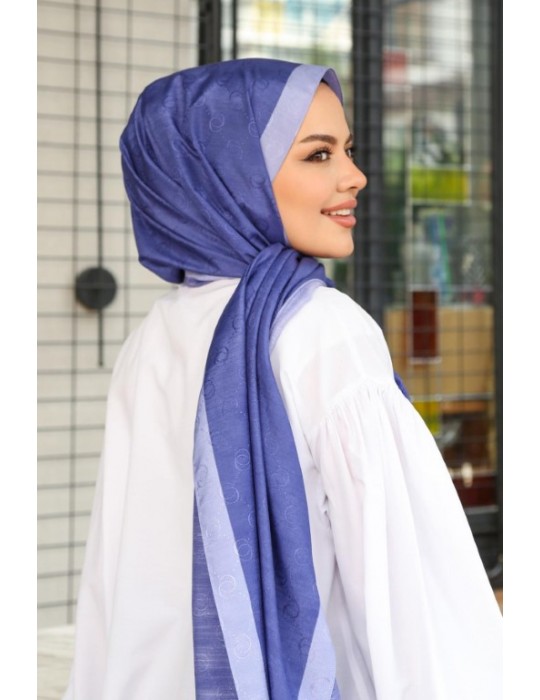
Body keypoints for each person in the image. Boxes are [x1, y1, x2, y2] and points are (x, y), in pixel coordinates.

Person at [63, 58, 502, 700]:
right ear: (226, 176)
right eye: (318, 154)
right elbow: (416, 598)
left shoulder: (149, 340)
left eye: (347, 149)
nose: (356, 176)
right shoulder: (324, 330)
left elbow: (114, 581)